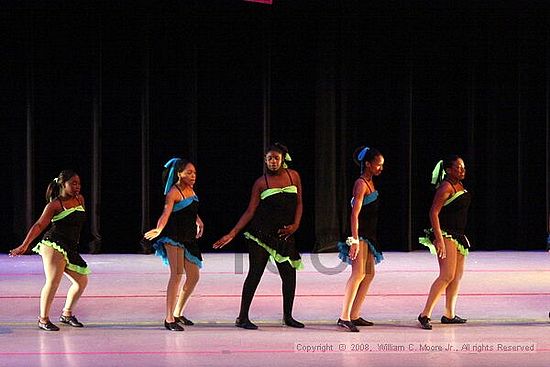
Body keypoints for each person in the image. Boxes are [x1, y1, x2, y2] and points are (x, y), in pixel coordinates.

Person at [213, 143, 304, 330]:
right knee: (255, 274)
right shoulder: (261, 182)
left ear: (282, 159)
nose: (272, 161)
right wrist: (233, 232)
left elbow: (300, 203)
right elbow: (250, 211)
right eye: (269, 158)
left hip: (284, 234)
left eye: (276, 158)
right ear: (265, 160)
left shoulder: (293, 176)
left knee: (289, 275)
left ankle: (288, 316)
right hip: (260, 234)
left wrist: (296, 225)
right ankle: (242, 317)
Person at [9, 170, 90, 331]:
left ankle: (66, 314)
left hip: (69, 246)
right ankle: (43, 319)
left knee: (81, 281)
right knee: (53, 282)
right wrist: (24, 245)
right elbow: (39, 225)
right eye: (73, 183)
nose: (77, 186)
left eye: (78, 183)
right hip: (53, 244)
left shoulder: (80, 199)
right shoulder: (55, 205)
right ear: (63, 184)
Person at [144, 158, 204, 331]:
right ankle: (169, 318)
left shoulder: (191, 190)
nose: (193, 176)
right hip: (173, 237)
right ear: (179, 174)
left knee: (193, 277)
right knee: (177, 274)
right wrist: (158, 229)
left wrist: (199, 221)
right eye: (189, 173)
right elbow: (165, 213)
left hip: (189, 238)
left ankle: (178, 313)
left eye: (194, 173)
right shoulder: (173, 192)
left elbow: (190, 210)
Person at [417, 155, 471, 330]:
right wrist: (439, 238)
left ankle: (449, 314)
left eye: (463, 167)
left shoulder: (459, 185)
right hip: (446, 234)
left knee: (456, 277)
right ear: (448, 170)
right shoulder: (446, 187)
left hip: (459, 235)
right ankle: (425, 314)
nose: (462, 170)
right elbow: (434, 212)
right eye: (458, 167)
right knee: (446, 275)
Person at [336, 146, 384, 332]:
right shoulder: (361, 183)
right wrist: (354, 240)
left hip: (369, 235)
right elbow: (354, 215)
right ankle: (344, 316)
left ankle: (354, 314)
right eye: (378, 165)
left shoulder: (371, 182)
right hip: (359, 234)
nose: (381, 168)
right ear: (368, 164)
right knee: (358, 274)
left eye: (382, 165)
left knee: (369, 274)